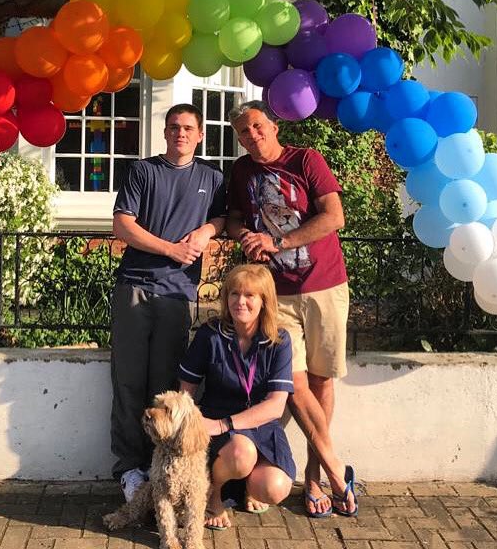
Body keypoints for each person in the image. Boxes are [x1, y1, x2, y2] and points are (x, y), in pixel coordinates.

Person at [226, 100, 358, 518]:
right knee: (293, 382)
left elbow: (334, 216)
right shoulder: (242, 171)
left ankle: (315, 476)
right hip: (276, 294)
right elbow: (231, 219)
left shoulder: (306, 159)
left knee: (321, 379)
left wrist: (278, 242)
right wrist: (245, 233)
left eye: (258, 126)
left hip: (324, 285)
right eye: (244, 132)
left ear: (274, 124)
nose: (253, 135)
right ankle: (339, 473)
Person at [111, 103, 226, 502]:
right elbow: (122, 225)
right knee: (128, 382)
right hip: (135, 287)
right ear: (165, 132)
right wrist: (171, 250)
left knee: (166, 388)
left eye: (188, 128)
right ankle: (129, 469)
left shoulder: (212, 177)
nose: (181, 133)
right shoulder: (143, 171)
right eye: (174, 127)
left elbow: (227, 217)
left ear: (200, 135)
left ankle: (159, 467)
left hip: (178, 294)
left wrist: (208, 230)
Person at [179, 264, 294, 530]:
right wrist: (194, 428)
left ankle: (248, 489)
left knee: (275, 489)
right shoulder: (210, 334)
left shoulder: (279, 340)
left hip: (259, 427)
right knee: (242, 453)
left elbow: (276, 406)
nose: (239, 302)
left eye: (249, 295)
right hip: (216, 427)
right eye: (234, 294)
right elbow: (186, 391)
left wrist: (225, 424)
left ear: (264, 302)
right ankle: (213, 493)